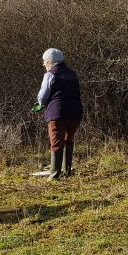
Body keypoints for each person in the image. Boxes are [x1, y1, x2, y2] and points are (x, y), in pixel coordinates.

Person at [32, 48, 83, 180]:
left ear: (50, 61)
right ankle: (68, 171)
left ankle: (54, 175)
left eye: (44, 62)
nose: (44, 64)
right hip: (75, 112)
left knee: (56, 142)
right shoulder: (73, 74)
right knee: (68, 140)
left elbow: (43, 95)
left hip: (57, 113)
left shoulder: (50, 75)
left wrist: (40, 103)